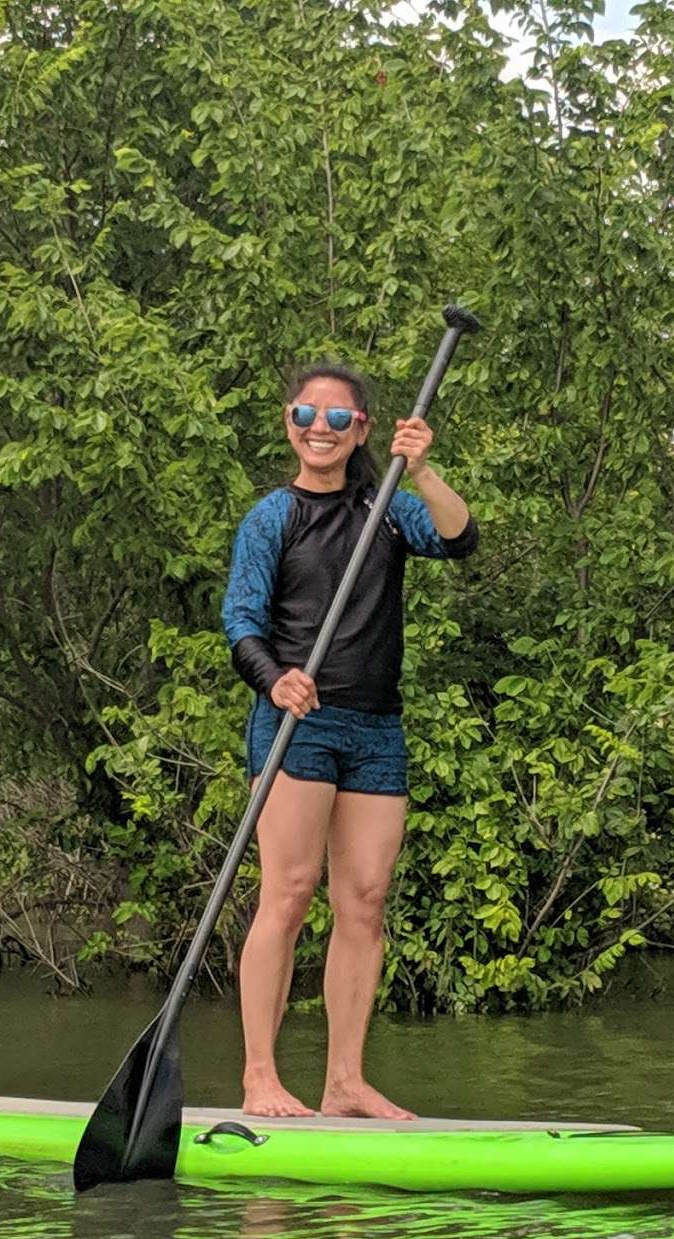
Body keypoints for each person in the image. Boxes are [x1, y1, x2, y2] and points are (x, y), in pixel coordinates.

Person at [222, 361, 478, 1119]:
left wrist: (424, 471)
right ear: (288, 421)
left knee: (364, 901)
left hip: (375, 729)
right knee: (289, 893)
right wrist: (275, 678)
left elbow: (460, 538)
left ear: (363, 428)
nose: (320, 429)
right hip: (296, 724)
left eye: (338, 419)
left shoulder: (390, 510)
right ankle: (260, 1075)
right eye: (307, 415)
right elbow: (241, 620)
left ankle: (343, 1081)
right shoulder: (273, 517)